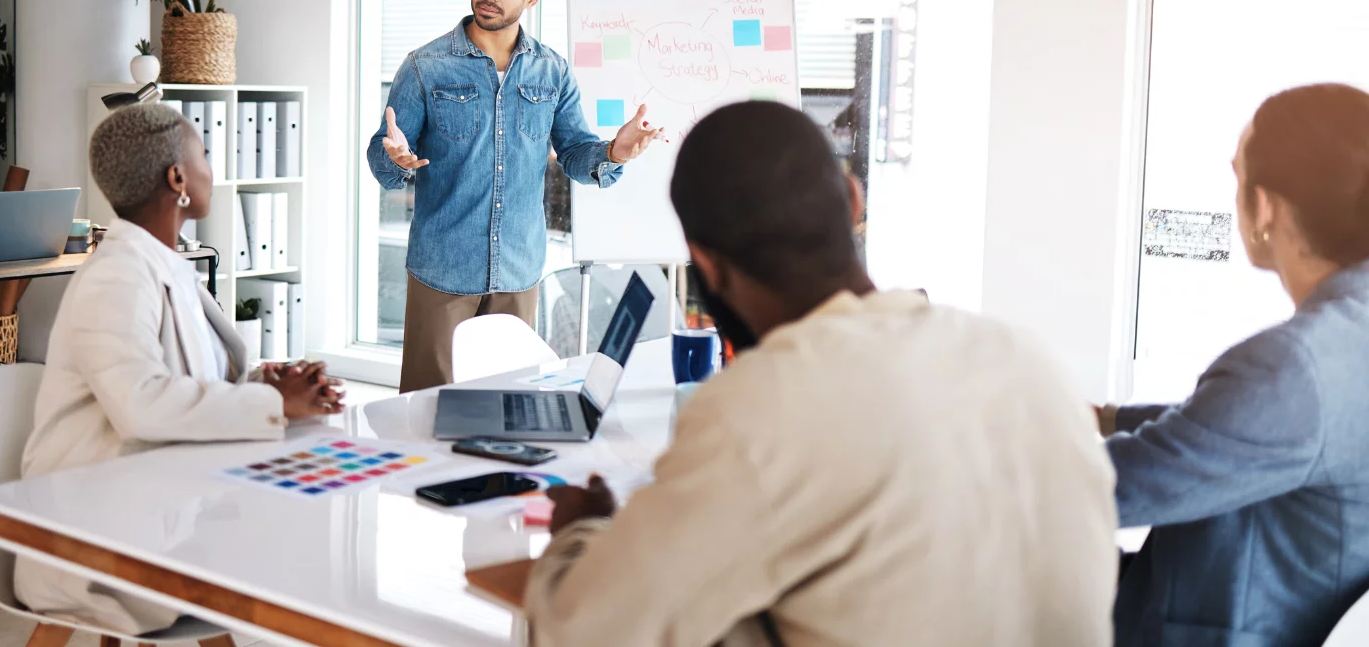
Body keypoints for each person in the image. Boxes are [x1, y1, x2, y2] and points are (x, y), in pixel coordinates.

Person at [527, 101, 1118, 646]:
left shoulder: (764, 407)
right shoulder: (1027, 360)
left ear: (703, 260)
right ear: (854, 201)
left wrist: (579, 535)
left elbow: (580, 629)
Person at [14, 102, 344, 635]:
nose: (213, 167)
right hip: (98, 528)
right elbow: (141, 403)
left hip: (166, 500)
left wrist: (269, 384)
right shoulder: (116, 276)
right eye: (205, 155)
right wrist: (271, 405)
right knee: (306, 561)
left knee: (306, 533)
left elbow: (191, 383)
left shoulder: (170, 265)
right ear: (177, 178)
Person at [1104, 83, 1369, 647]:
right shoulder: (1346, 342)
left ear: (1264, 206)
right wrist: (1103, 419)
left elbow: (1102, 490)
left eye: (1236, 176)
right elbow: (1234, 432)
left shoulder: (1298, 367)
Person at [366, 0, 663, 393]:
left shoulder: (552, 71)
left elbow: (574, 152)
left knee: (509, 407)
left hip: (518, 272)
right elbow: (385, 158)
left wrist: (611, 152)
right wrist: (397, 159)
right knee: (428, 410)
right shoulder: (425, 66)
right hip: (443, 271)